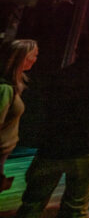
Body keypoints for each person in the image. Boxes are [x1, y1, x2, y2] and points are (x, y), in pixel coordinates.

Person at [17, 31, 89, 218]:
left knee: (32, 203)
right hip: (86, 148)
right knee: (76, 209)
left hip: (52, 147)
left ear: (77, 49)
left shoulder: (57, 76)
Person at [0, 39, 39, 191]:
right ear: (24, 57)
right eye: (34, 55)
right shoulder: (5, 88)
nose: (35, 59)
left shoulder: (15, 84)